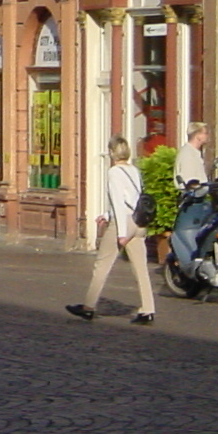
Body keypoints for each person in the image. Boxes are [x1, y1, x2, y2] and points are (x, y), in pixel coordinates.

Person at [68, 138, 156, 325]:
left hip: (123, 222)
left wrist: (121, 233)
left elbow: (118, 200)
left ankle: (89, 307)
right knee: (141, 268)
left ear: (112, 152)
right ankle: (148, 310)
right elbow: (133, 199)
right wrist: (107, 215)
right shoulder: (134, 171)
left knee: (102, 264)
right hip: (138, 222)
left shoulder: (114, 172)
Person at [173, 122, 212, 189]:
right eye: (205, 133)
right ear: (198, 136)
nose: (208, 136)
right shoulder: (188, 155)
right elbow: (190, 181)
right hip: (194, 197)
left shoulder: (193, 152)